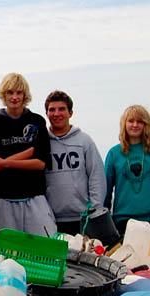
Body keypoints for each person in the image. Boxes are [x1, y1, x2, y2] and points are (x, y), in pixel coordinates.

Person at [0, 73, 56, 237]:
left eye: (19, 93)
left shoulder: (37, 121)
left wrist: (5, 162)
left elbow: (41, 162)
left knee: (45, 245)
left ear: (25, 95)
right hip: (4, 198)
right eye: (10, 93)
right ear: (4, 95)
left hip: (34, 196)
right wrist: (28, 152)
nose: (15, 97)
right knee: (7, 254)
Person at [104, 105, 150, 241]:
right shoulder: (114, 153)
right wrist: (104, 216)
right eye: (131, 121)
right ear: (124, 124)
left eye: (140, 121)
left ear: (146, 125)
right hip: (123, 221)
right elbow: (105, 188)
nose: (135, 125)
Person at [44, 90, 106, 235]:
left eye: (62, 109)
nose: (56, 113)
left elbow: (96, 177)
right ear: (46, 114)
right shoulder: (42, 142)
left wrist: (95, 211)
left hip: (83, 218)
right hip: (51, 219)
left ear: (70, 113)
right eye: (52, 110)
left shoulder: (84, 141)